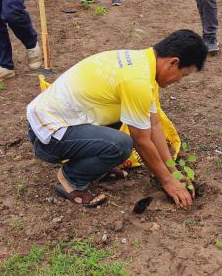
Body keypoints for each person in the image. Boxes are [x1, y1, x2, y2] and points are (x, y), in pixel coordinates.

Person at [26, 30, 208, 208]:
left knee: (131, 121)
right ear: (173, 62)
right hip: (47, 136)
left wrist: (173, 172)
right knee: (121, 145)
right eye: (183, 75)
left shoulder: (143, 64)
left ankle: (95, 166)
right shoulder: (137, 81)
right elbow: (142, 141)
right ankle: (71, 179)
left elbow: (155, 125)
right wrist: (167, 181)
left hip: (59, 121)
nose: (179, 80)